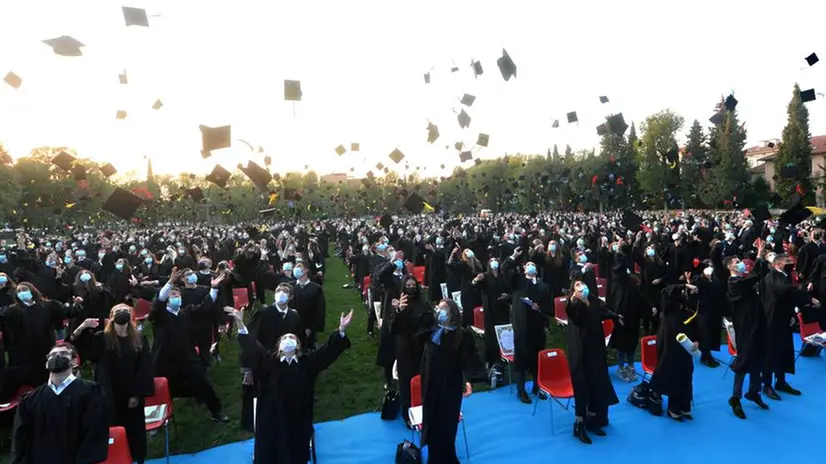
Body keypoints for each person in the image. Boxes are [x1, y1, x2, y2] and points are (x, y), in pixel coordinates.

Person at [228, 305, 353, 464]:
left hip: (298, 417)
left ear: (298, 346)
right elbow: (252, 347)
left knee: (295, 451)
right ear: (278, 346)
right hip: (273, 417)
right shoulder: (268, 362)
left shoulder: (307, 363)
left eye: (292, 338)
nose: (288, 340)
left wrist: (341, 329)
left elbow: (326, 353)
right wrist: (240, 323)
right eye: (285, 338)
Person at [73, 304, 155, 464]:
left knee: (134, 428)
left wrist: (136, 393)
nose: (122, 314)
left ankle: (137, 457)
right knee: (113, 426)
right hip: (108, 392)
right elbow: (78, 348)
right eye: (118, 312)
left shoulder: (139, 339)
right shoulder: (100, 339)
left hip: (132, 393)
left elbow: (144, 368)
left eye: (126, 311)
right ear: (111, 317)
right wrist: (82, 327)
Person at [150, 267, 229, 423]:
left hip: (188, 357)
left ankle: (216, 411)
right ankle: (161, 419)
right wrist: (170, 283)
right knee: (164, 391)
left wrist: (213, 289)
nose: (176, 297)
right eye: (173, 295)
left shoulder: (185, 313)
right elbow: (157, 303)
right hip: (166, 361)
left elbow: (203, 308)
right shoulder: (160, 316)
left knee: (204, 384)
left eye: (178, 295)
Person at [11, 342, 109, 464]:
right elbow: (21, 438)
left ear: (74, 361)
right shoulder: (30, 400)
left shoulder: (90, 393)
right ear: (47, 364)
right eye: (52, 355)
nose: (57, 357)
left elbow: (95, 432)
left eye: (63, 354)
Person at [420, 299, 484, 464]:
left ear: (452, 313)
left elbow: (469, 359)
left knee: (447, 424)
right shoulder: (432, 331)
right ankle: (434, 457)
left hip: (450, 386)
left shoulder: (462, 335)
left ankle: (448, 456)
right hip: (431, 385)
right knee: (432, 422)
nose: (440, 312)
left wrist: (469, 380)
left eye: (444, 309)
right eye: (438, 309)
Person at [239, 283, 303, 432]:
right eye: (278, 290)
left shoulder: (294, 316)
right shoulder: (264, 313)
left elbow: (301, 341)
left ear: (291, 297)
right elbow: (250, 340)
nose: (281, 293)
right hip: (263, 361)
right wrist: (247, 368)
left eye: (285, 291)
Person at [566, 280, 621, 444]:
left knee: (596, 384)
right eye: (576, 285)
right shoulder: (574, 305)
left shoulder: (595, 301)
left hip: (596, 351)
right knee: (582, 388)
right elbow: (573, 315)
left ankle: (594, 421)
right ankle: (580, 424)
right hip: (581, 353)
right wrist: (575, 300)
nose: (581, 287)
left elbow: (603, 312)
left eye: (582, 283)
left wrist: (616, 316)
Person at [760, 253, 819, 399]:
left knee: (784, 350)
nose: (791, 263)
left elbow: (787, 299)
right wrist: (809, 299)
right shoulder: (773, 277)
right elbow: (787, 291)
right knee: (771, 352)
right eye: (787, 261)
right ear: (778, 264)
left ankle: (781, 381)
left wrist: (792, 316)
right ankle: (766, 385)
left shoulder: (785, 276)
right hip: (771, 321)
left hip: (784, 319)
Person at [387, 276, 434, 428]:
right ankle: (407, 413)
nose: (411, 287)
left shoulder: (423, 303)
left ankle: (424, 408)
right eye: (408, 285)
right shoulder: (398, 305)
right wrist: (400, 310)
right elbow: (393, 327)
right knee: (406, 383)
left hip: (421, 348)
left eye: (413, 285)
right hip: (405, 350)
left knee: (423, 379)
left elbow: (429, 321)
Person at [726, 257, 770, 419]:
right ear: (731, 266)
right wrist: (758, 256)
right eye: (737, 261)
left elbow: (760, 274)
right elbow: (756, 275)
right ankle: (735, 398)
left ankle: (754, 391)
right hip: (745, 327)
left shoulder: (744, 280)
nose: (741, 263)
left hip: (757, 323)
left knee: (758, 357)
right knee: (744, 360)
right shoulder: (734, 283)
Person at [648, 284, 700, 421]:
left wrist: (696, 341)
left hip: (685, 349)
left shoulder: (687, 310)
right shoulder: (668, 310)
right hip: (670, 349)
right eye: (682, 291)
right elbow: (665, 290)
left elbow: (695, 327)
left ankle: (685, 406)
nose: (684, 293)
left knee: (687, 376)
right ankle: (673, 408)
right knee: (674, 377)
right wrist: (685, 284)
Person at [507, 250, 553, 404]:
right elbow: (506, 269)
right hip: (521, 326)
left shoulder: (544, 286)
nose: (530, 266)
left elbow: (549, 307)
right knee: (521, 358)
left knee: (536, 358)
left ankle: (536, 386)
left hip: (537, 326)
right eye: (528, 265)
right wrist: (514, 256)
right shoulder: (518, 281)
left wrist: (539, 307)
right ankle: (521, 390)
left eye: (532, 265)